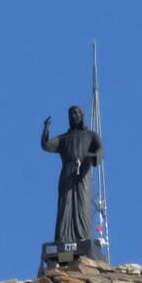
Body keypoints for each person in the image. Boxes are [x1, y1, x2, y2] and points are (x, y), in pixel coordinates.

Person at [39, 105, 102, 246]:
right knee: (65, 205)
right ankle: (63, 238)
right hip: (67, 174)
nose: (73, 117)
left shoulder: (90, 135)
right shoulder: (64, 138)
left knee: (82, 204)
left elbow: (100, 151)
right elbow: (47, 145)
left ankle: (83, 237)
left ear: (81, 116)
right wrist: (46, 130)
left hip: (83, 174)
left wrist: (90, 157)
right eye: (70, 115)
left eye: (75, 114)